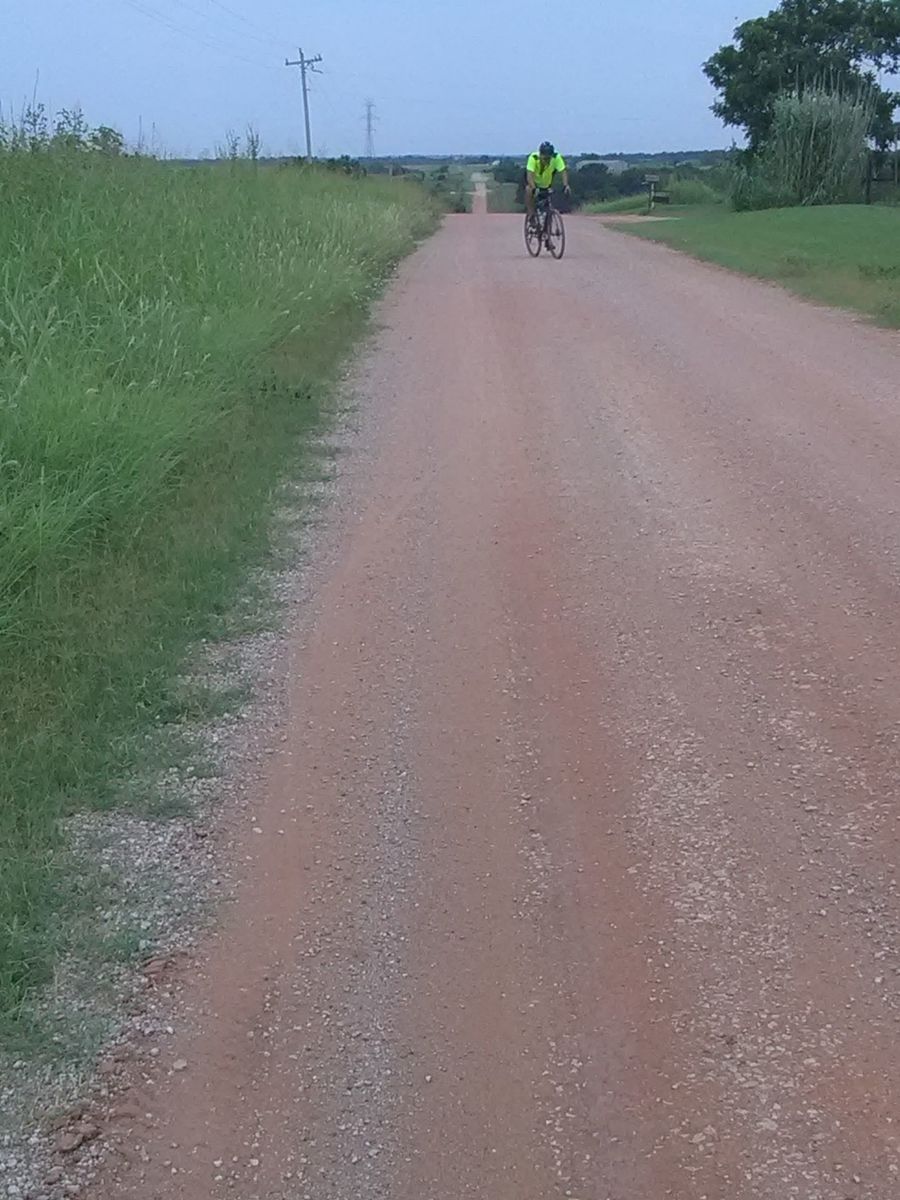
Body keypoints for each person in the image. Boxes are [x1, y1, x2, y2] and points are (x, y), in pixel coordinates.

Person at [525, 142, 570, 224]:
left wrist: (565, 185)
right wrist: (534, 188)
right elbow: (529, 176)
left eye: (549, 159)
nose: (547, 161)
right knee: (528, 190)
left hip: (547, 184)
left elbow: (563, 171)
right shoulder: (533, 158)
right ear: (540, 155)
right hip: (534, 183)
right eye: (545, 159)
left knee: (548, 205)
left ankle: (547, 223)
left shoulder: (556, 157)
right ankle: (531, 215)